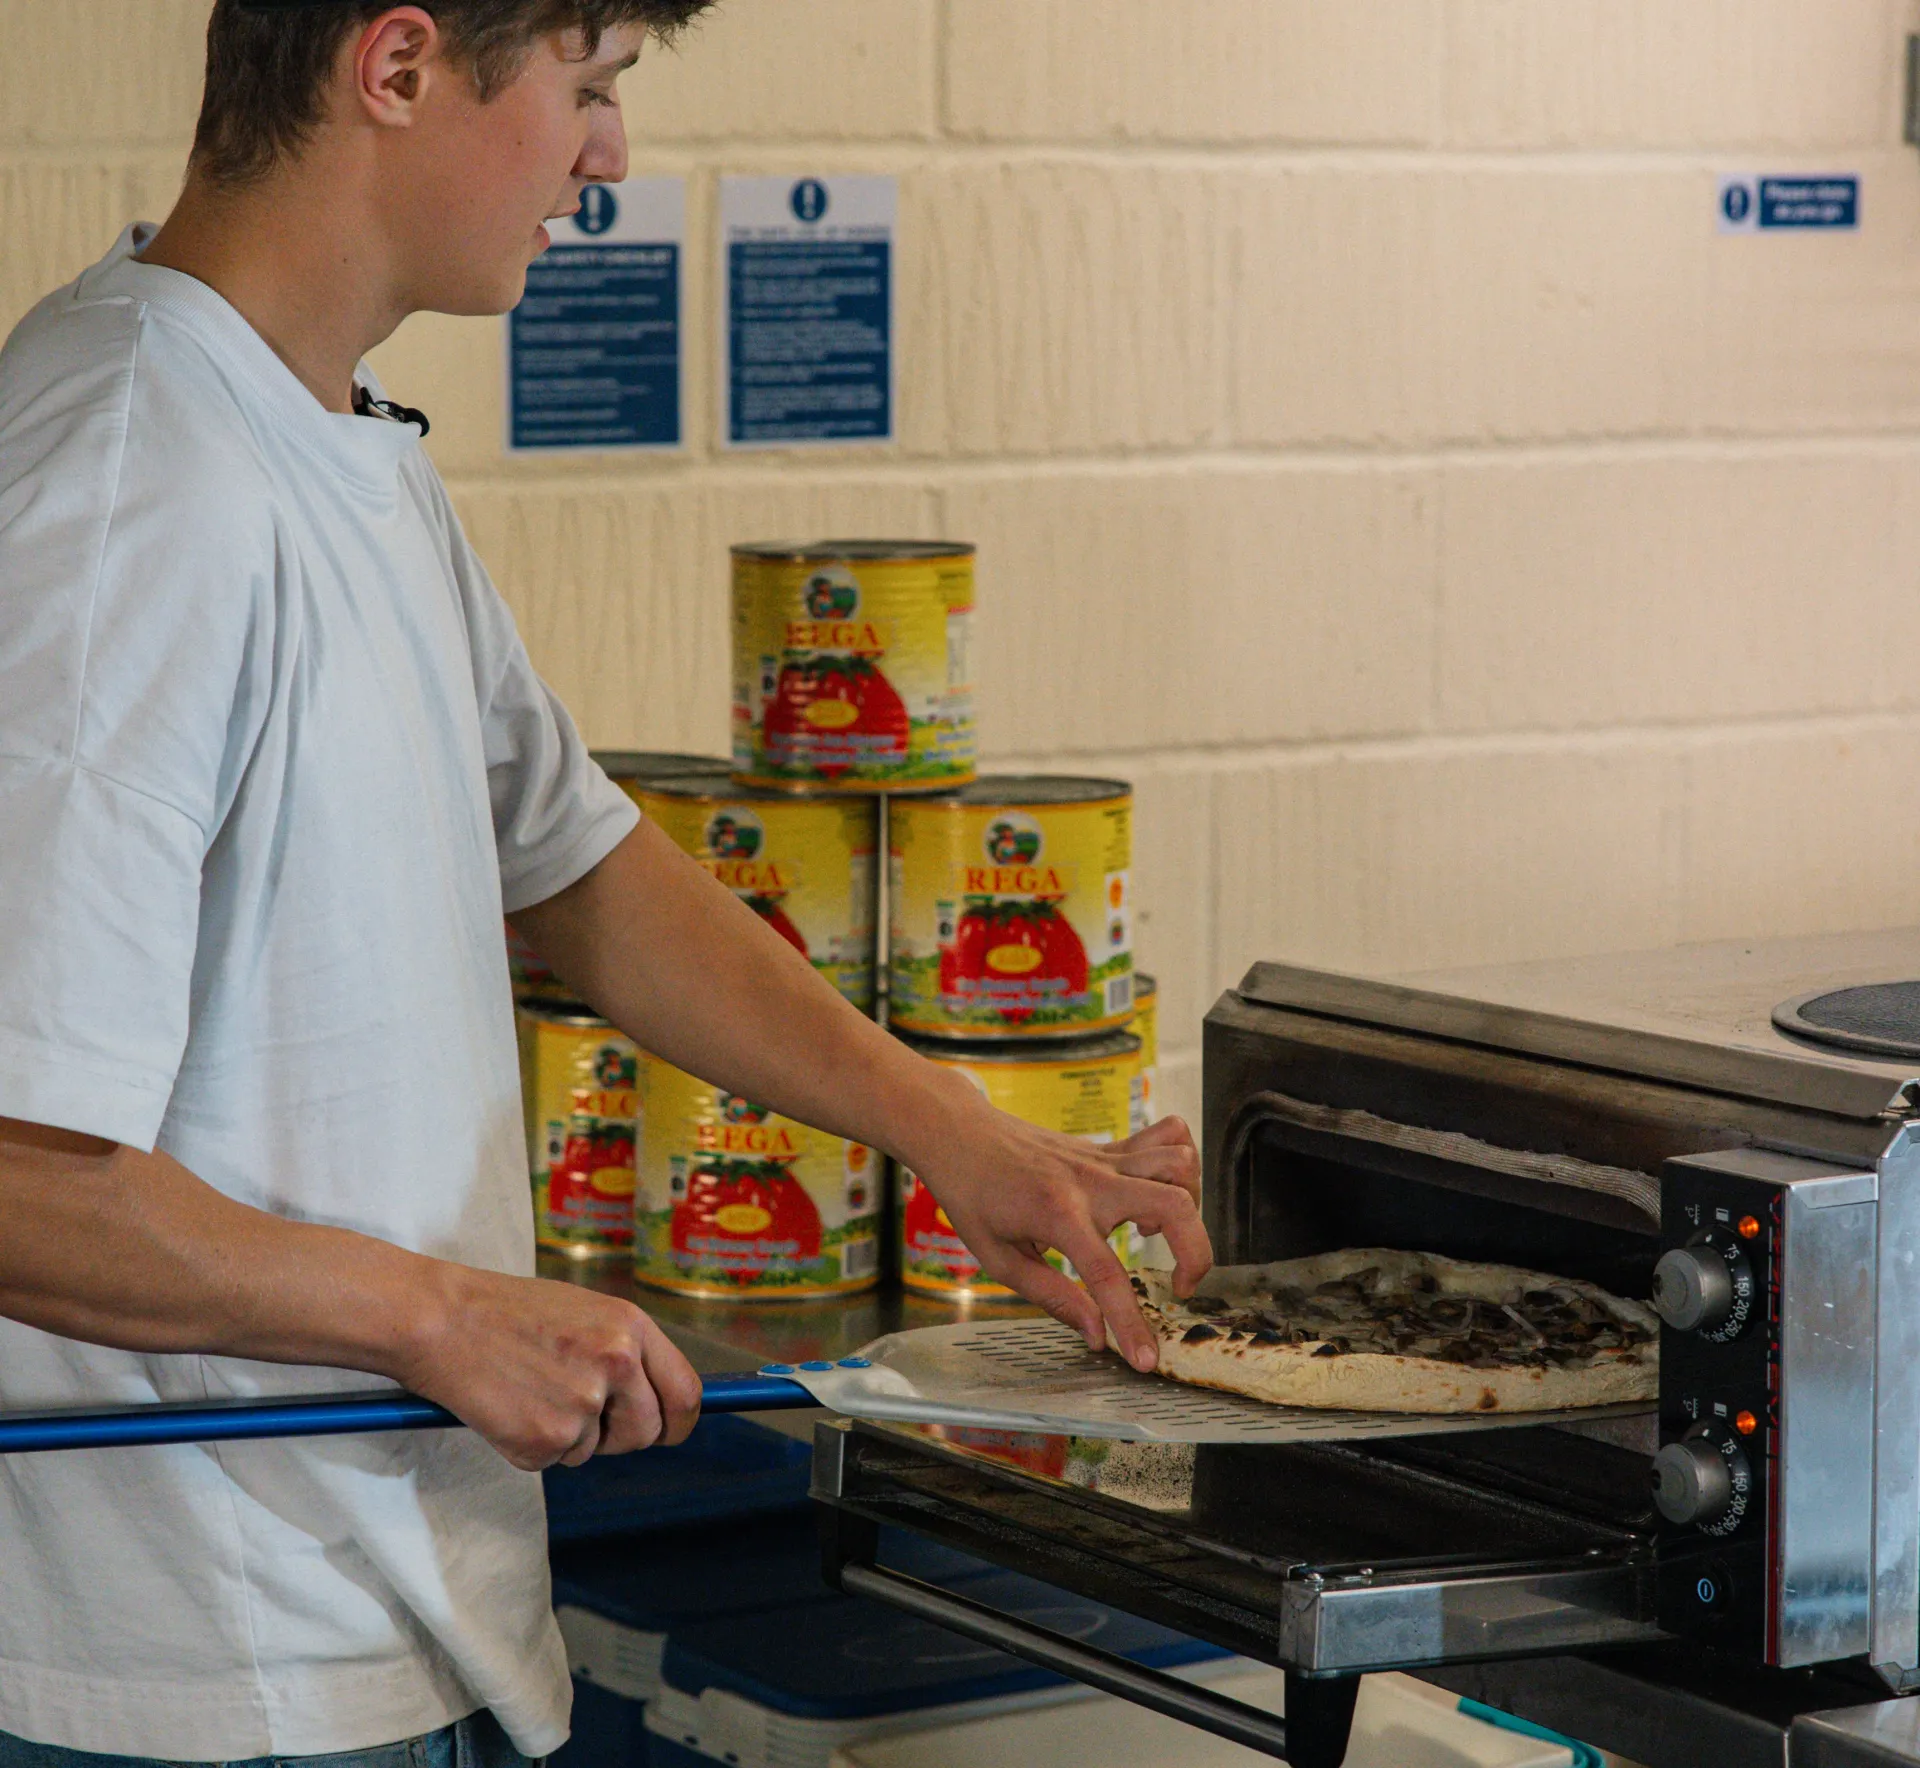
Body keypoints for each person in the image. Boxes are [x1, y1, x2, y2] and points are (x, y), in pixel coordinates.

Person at [0, 4, 1211, 1766]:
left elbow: (582, 873)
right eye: (592, 87)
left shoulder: (326, 441)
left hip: (378, 1597)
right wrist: (438, 1313)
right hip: (205, 1663)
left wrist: (962, 1137)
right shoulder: (134, 486)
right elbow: (21, 1179)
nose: (611, 155)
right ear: (397, 65)